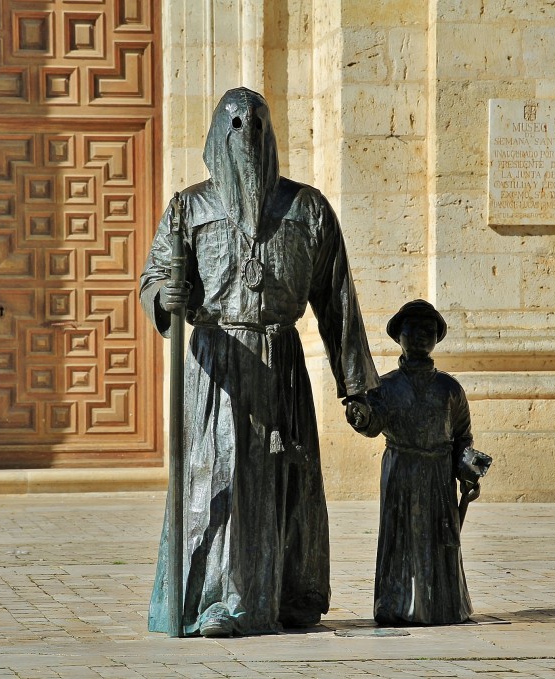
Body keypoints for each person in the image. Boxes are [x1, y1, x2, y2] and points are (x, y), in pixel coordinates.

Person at [140, 87, 379, 637]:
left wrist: (357, 389)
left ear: (270, 135)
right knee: (217, 476)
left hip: (281, 361)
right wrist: (163, 297)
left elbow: (337, 300)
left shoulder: (307, 208)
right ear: (215, 136)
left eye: (255, 123)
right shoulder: (188, 207)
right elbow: (154, 277)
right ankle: (217, 600)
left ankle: (291, 592)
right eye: (233, 123)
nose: (244, 133)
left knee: (285, 474)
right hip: (217, 366)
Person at [346, 299, 489, 625]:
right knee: (401, 538)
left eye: (429, 329)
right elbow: (372, 423)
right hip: (401, 470)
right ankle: (397, 605)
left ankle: (441, 605)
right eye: (413, 328)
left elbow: (463, 437)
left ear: (437, 337)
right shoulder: (384, 386)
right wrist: (360, 414)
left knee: (439, 540)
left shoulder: (449, 388)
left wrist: (470, 474)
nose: (421, 335)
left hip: (438, 474)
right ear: (400, 335)